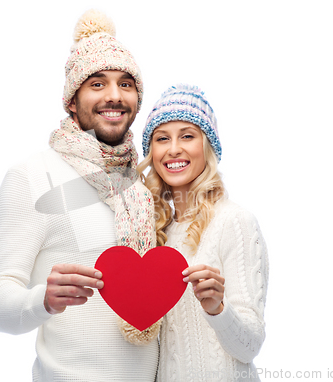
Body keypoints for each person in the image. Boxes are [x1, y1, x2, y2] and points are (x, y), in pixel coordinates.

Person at [0, 10, 159, 382]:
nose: (114, 95)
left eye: (126, 84)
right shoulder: (31, 176)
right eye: (97, 83)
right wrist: (42, 299)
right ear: (72, 101)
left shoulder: (142, 187)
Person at [138, 84, 269, 381]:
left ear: (207, 146)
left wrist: (217, 309)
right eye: (162, 138)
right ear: (152, 152)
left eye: (187, 136)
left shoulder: (235, 222)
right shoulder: (157, 234)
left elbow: (250, 346)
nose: (174, 149)